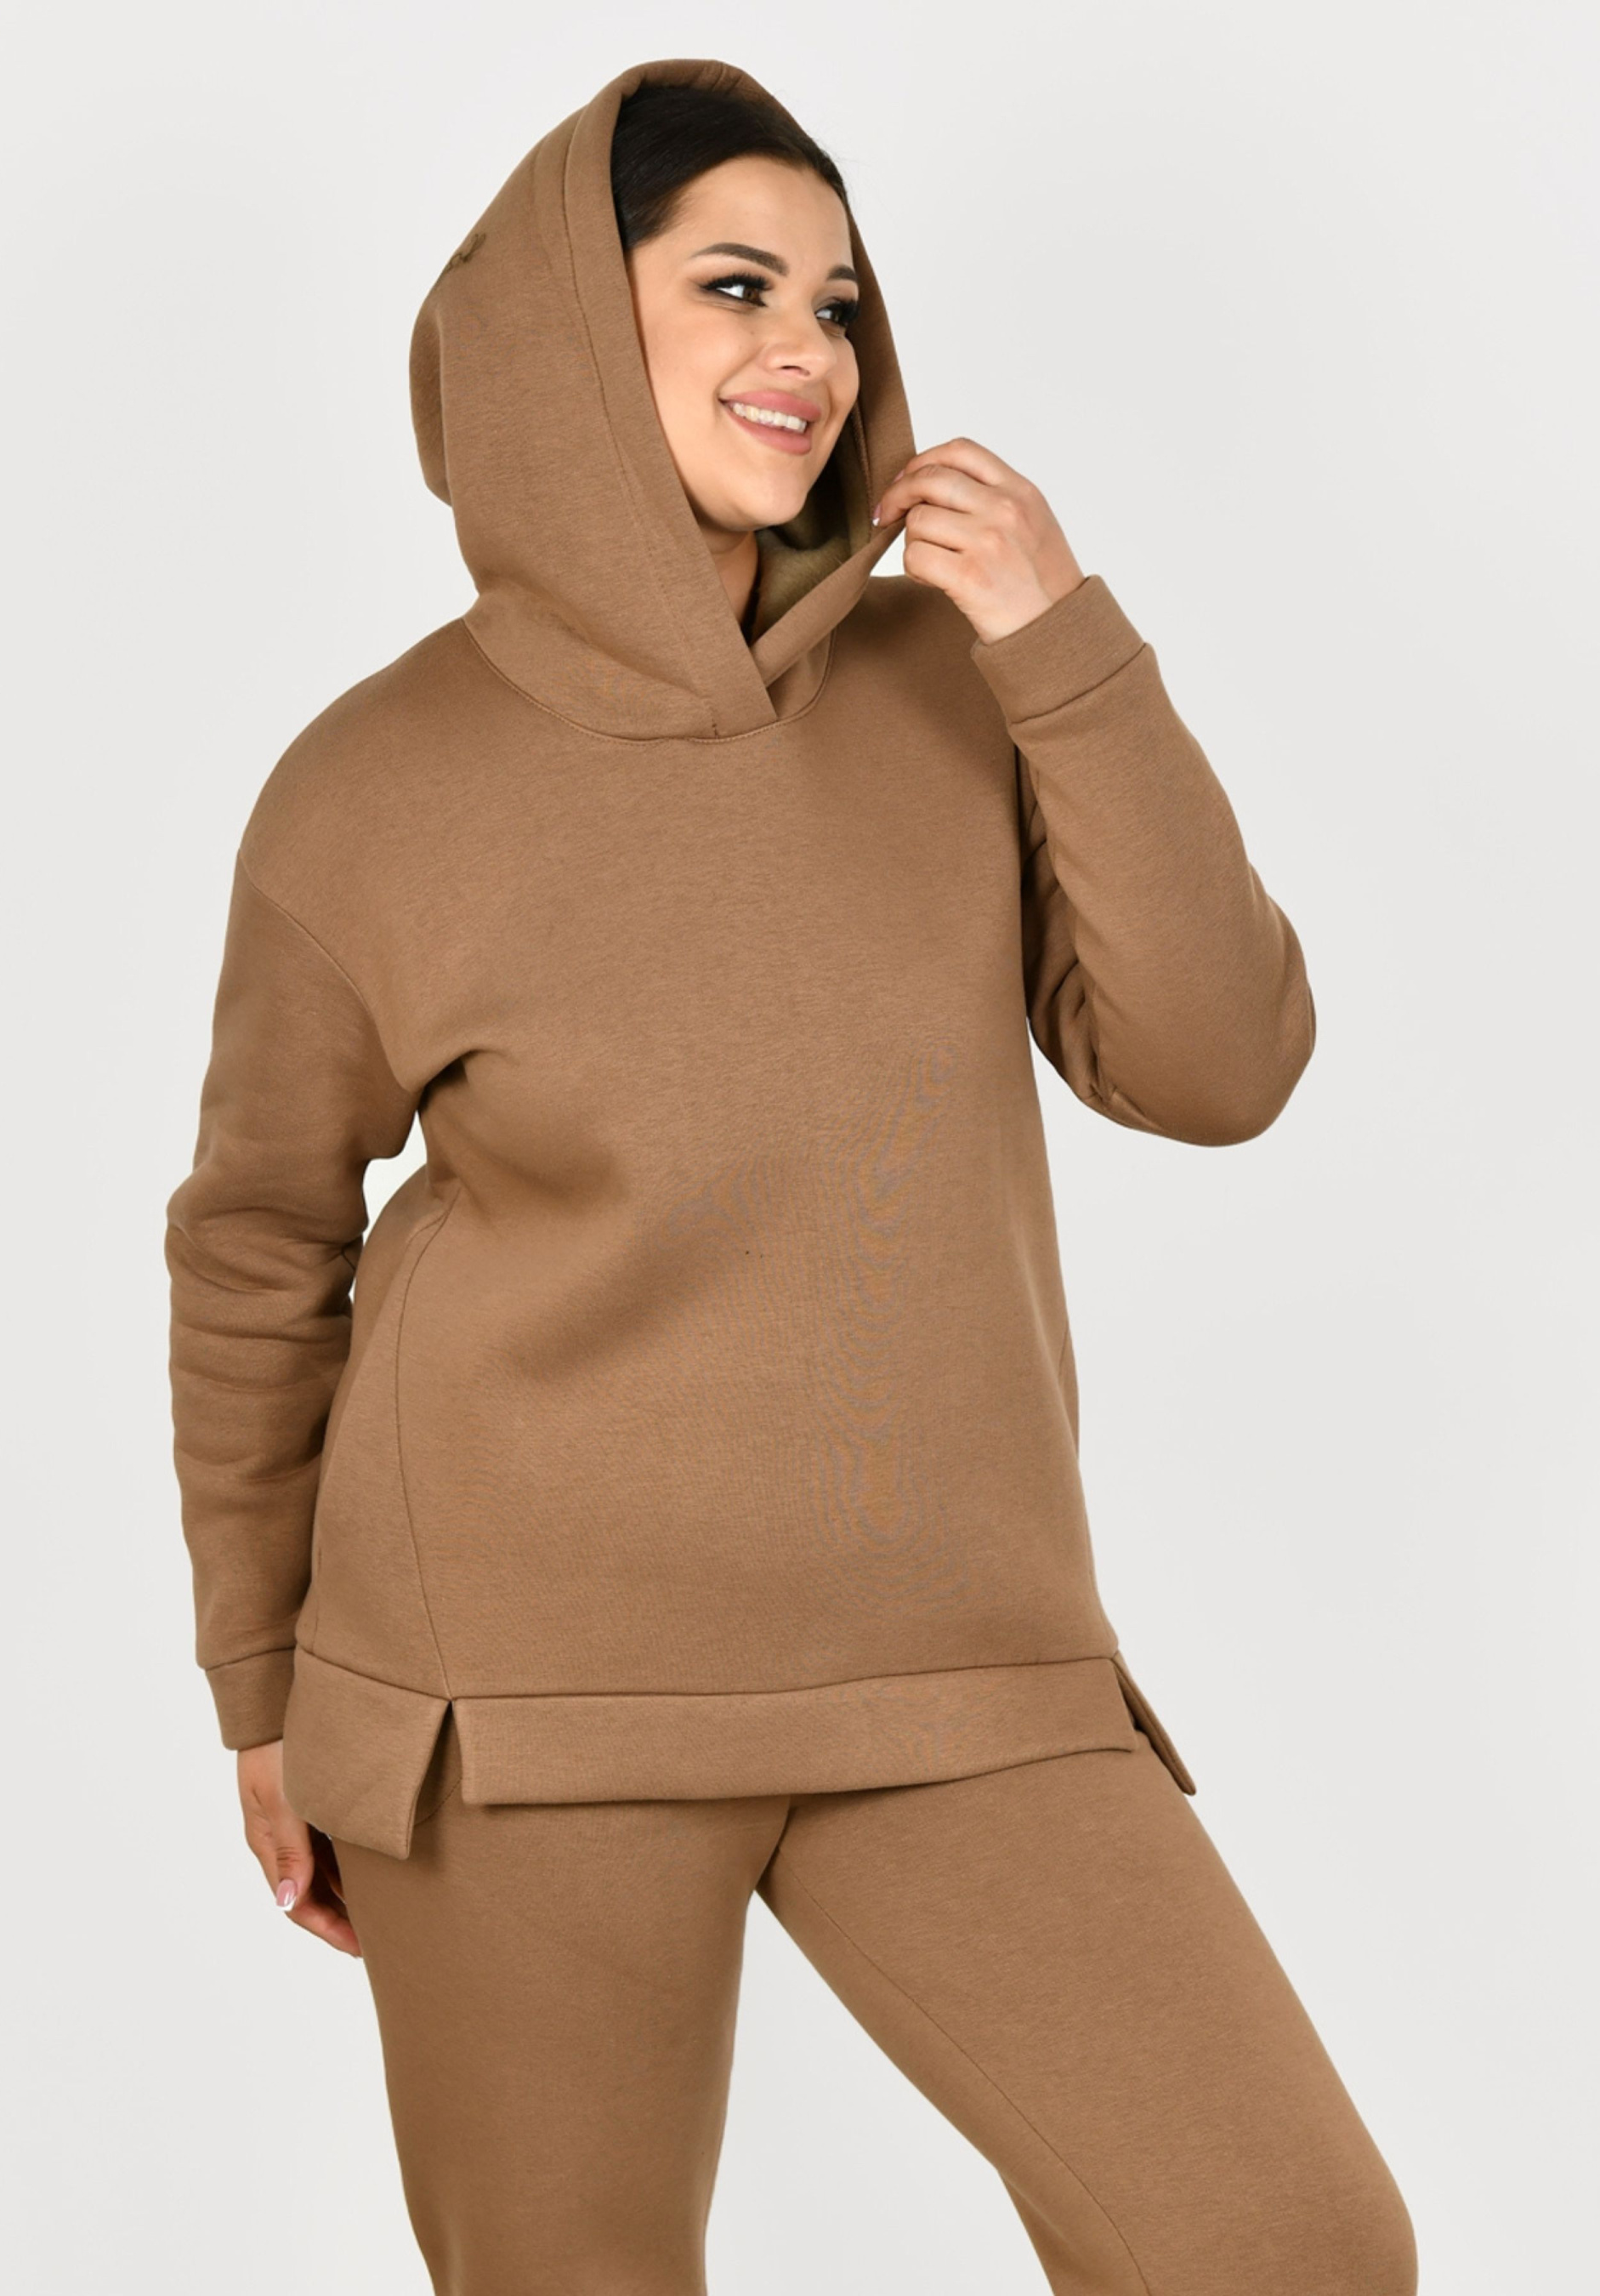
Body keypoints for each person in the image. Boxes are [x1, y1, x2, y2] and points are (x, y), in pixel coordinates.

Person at [163, 54, 1417, 2296]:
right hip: (511, 1708)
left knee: (1285, 2244)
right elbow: (260, 1245)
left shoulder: (958, 688)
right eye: (734, 285)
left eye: (838, 302)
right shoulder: (369, 786)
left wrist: (1060, 643)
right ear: (574, 323)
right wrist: (262, 1682)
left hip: (958, 1666)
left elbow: (1220, 1066)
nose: (810, 352)